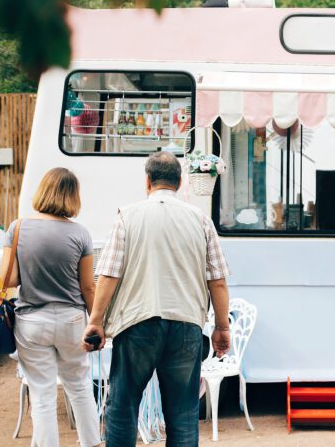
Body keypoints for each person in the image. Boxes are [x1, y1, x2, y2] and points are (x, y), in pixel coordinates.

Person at [84, 151, 231, 447]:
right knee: (183, 413)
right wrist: (222, 327)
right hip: (186, 327)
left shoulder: (128, 216)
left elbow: (109, 274)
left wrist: (96, 322)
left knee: (123, 408)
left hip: (137, 324)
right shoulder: (201, 220)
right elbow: (217, 280)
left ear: (148, 181)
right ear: (179, 183)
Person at [3, 167, 101, 447]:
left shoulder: (18, 228)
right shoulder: (81, 234)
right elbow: (87, 287)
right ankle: (91, 443)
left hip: (32, 320)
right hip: (71, 320)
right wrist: (96, 322)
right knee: (80, 387)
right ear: (73, 197)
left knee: (42, 394)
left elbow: (7, 280)